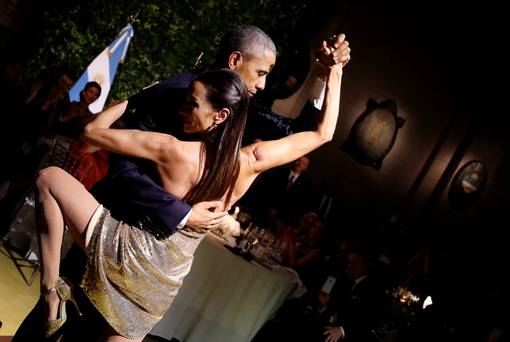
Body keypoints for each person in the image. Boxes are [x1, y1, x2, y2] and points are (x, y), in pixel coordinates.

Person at [35, 46, 345, 341]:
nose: (183, 110)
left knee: (49, 178)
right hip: (157, 290)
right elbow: (324, 133)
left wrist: (134, 100)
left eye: (192, 104)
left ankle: (52, 294)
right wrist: (336, 71)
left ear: (220, 115)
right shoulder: (251, 162)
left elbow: (91, 132)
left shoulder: (171, 149)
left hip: (124, 251)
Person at [92, 25, 351, 236]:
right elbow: (123, 167)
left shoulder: (241, 106)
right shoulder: (175, 92)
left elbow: (299, 132)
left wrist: (324, 72)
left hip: (170, 238)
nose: (262, 85)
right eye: (260, 72)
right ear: (235, 60)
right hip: (115, 220)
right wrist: (181, 214)